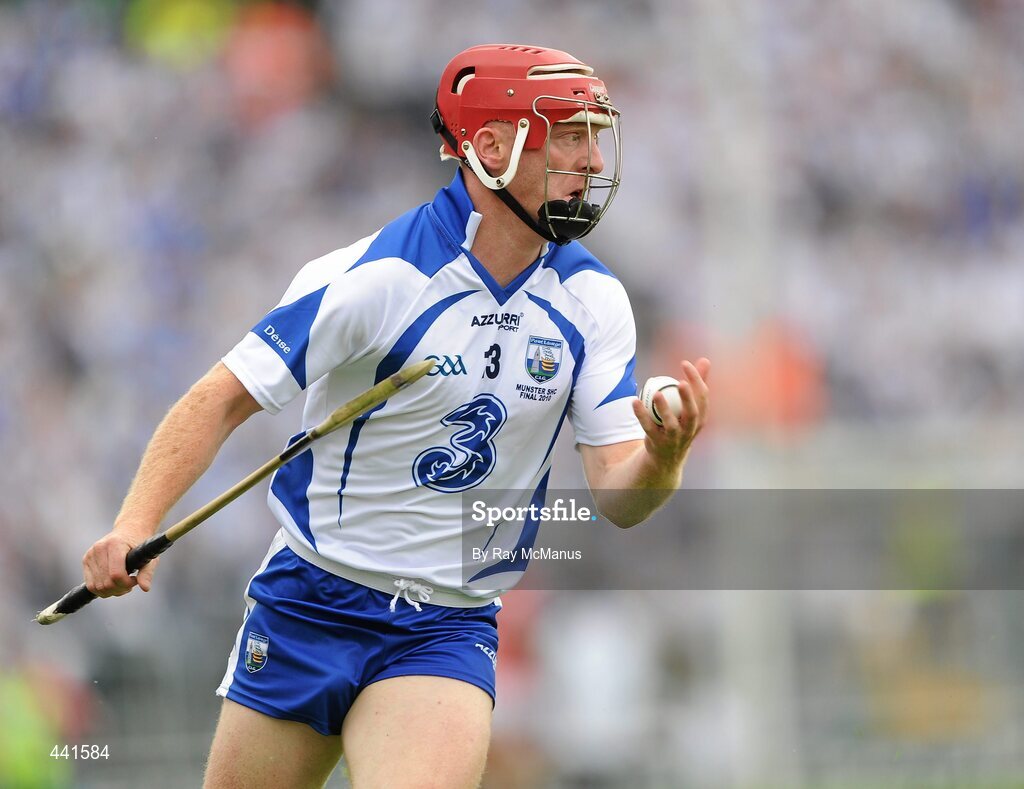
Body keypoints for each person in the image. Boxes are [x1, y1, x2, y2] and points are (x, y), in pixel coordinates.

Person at [81, 43, 710, 789]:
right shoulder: (375, 280)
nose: (590, 156)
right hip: (311, 599)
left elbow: (617, 495)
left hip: (446, 621)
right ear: (489, 147)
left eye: (593, 135)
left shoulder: (594, 302)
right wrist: (133, 521)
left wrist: (664, 458)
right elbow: (222, 396)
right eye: (568, 134)